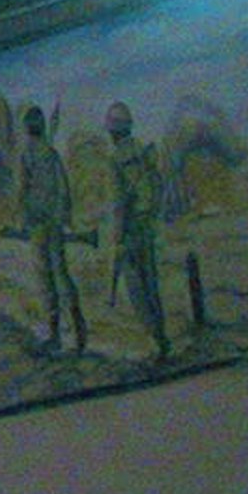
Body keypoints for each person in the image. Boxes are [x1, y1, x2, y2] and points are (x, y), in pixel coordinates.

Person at [14, 105, 87, 354]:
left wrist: (23, 220)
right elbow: (63, 189)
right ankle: (77, 334)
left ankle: (58, 334)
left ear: (27, 129)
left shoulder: (28, 156)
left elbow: (22, 191)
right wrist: (64, 216)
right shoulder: (50, 154)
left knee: (46, 279)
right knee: (60, 275)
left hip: (39, 225)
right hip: (51, 223)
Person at [106, 102, 170, 355]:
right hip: (146, 226)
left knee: (136, 287)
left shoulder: (115, 161)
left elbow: (118, 204)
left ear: (113, 131)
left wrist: (118, 238)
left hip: (130, 229)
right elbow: (157, 185)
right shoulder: (143, 151)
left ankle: (155, 340)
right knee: (151, 282)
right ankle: (162, 334)